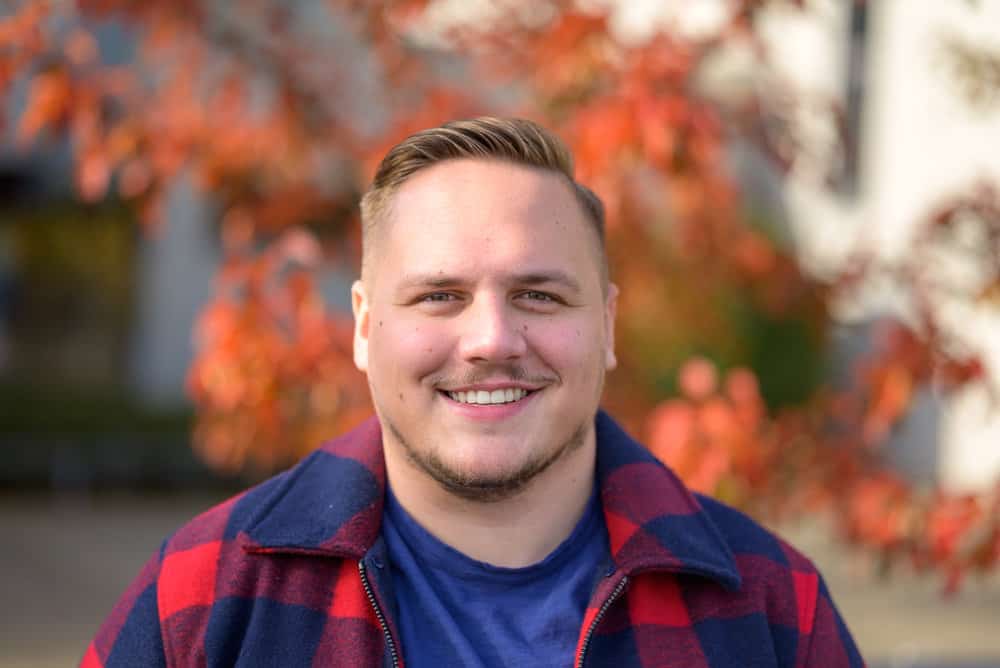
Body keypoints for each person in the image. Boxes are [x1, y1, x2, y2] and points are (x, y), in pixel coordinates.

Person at [83, 117, 864, 667]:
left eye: (540, 296)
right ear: (362, 325)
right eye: (439, 296)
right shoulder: (205, 594)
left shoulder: (771, 610)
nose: (491, 339)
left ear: (608, 324)